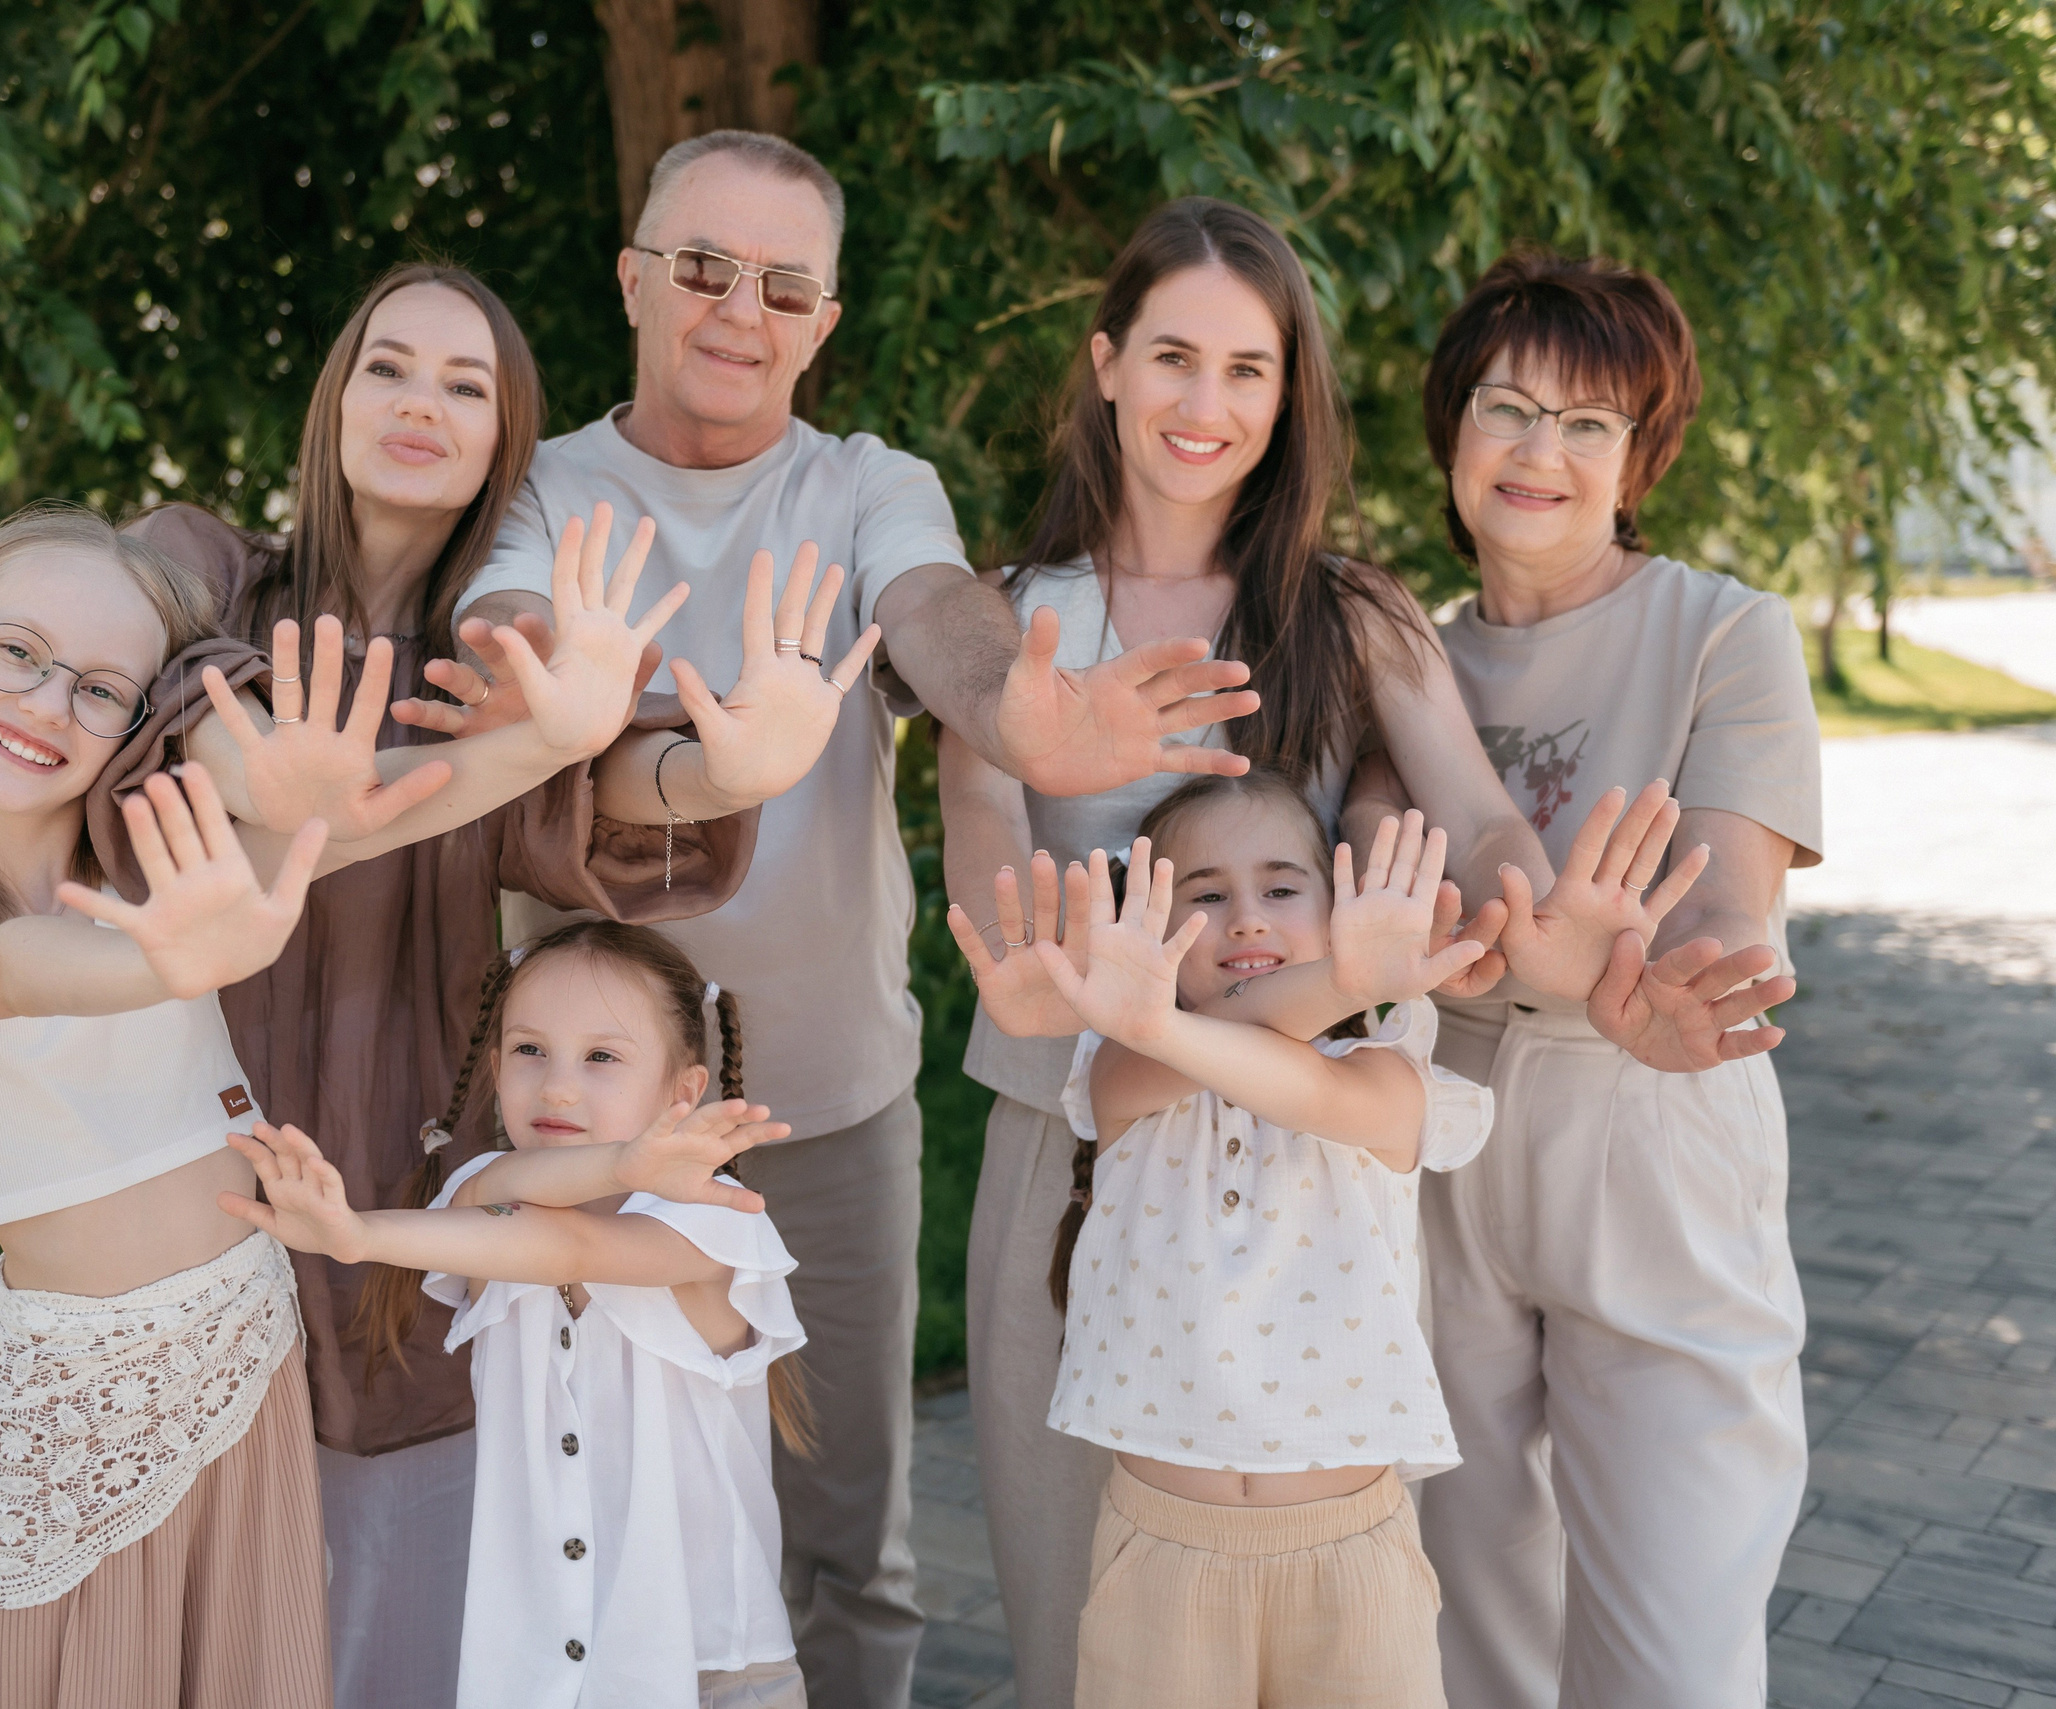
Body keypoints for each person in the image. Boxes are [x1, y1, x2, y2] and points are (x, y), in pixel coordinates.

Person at [455, 132, 1267, 1709]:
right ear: (632, 278)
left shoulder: (866, 483)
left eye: (783, 283)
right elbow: (509, 630)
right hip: (573, 1114)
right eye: (701, 266)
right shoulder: (547, 482)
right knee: (587, 1521)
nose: (737, 308)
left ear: (823, 320)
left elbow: (945, 619)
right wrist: (546, 671)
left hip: (823, 1110)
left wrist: (1027, 713)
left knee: (842, 1544)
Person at [90, 263, 870, 1709]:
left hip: (414, 1107)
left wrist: (725, 765)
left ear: (505, 438)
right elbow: (165, 711)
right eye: (391, 366)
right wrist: (270, 770)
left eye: (468, 385)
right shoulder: (203, 567)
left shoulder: (492, 650)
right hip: (191, 1131)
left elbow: (600, 775)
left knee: (412, 1560)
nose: (420, 405)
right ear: (336, 395)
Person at [933, 195, 1549, 1709]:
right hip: (1077, 1163)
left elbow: (1475, 819)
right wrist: (1026, 964)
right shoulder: (1014, 626)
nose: (1205, 407)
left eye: (1248, 371)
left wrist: (1539, 907)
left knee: (1318, 1639)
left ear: (1290, 396)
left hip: (1307, 1205)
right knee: (1083, 1641)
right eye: (1171, 358)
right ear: (1104, 364)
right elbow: (997, 882)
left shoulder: (1350, 615)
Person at [1353, 251, 1818, 1707]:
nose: (1539, 452)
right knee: (1465, 1610)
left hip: (1652, 1110)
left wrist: (1671, 981)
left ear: (1640, 458)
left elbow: (1730, 905)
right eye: (1506, 407)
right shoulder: (1404, 652)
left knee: (1672, 1641)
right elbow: (1380, 863)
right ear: (1451, 431)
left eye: (1590, 423)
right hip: (1444, 1124)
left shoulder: (1725, 631)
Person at [0, 506, 352, 1708]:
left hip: (247, 1362)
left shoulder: (157, 866)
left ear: (137, 723)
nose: (50, 701)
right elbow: (5, 971)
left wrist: (551, 741)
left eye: (103, 686)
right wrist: (173, 957)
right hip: (71, 1419)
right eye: (16, 650)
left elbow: (382, 809)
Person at [973, 781, 1506, 1708]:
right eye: (1206, 895)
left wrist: (1352, 986)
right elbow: (1165, 1056)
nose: (1245, 918)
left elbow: (1312, 1093)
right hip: (1161, 1554)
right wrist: (1342, 970)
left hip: (1350, 1553)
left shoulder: (1393, 1065)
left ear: (1338, 909)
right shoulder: (1122, 1063)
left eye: (1283, 888)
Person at [221, 921, 819, 1709]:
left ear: (684, 1091)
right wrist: (350, 1232)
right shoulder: (480, 1193)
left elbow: (566, 1243)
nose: (559, 1086)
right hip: (541, 1672)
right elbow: (497, 1203)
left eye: (601, 1056)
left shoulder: (720, 1223)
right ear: (496, 1067)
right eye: (530, 1050)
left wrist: (361, 1233)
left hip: (709, 1669)